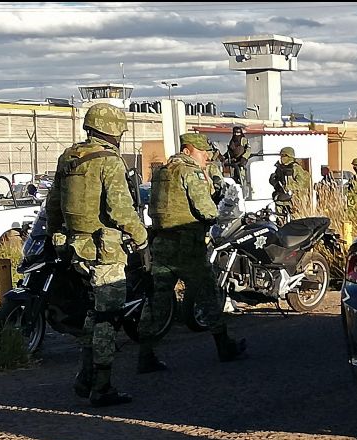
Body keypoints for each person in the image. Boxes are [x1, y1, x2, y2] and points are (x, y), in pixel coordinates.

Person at [45, 102, 148, 407]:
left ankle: (84, 376)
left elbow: (53, 203)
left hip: (76, 249)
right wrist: (142, 239)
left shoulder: (69, 157)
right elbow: (120, 210)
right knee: (107, 317)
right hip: (105, 251)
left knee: (93, 313)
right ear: (113, 130)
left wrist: (56, 235)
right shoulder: (109, 161)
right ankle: (101, 387)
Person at [137, 133, 246, 373]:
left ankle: (146, 354)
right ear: (188, 151)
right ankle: (223, 345)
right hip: (187, 247)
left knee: (158, 300)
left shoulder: (162, 173)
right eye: (202, 152)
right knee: (209, 292)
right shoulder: (191, 173)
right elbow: (207, 212)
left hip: (162, 244)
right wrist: (213, 199)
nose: (206, 157)